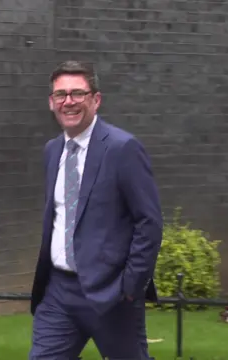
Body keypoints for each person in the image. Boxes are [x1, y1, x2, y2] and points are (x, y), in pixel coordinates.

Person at [28, 60, 163, 360]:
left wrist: (130, 287)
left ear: (96, 99)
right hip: (58, 293)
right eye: (61, 95)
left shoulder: (122, 148)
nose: (69, 102)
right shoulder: (52, 150)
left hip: (111, 295)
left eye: (78, 93)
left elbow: (149, 222)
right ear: (51, 102)